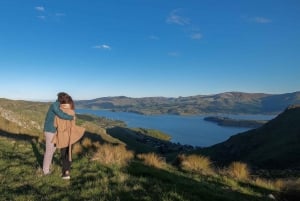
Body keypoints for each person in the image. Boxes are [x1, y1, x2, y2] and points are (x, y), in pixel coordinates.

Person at [52, 95, 85, 179]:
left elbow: (55, 124)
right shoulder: (72, 112)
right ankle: (67, 171)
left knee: (63, 154)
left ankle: (66, 172)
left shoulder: (59, 112)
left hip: (62, 135)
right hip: (70, 135)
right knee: (69, 153)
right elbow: (73, 125)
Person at [42, 92, 74, 175]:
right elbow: (61, 115)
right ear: (63, 99)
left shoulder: (58, 105)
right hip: (50, 131)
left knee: (52, 150)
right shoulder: (55, 105)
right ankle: (45, 170)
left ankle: (48, 167)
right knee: (49, 151)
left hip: (53, 131)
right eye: (66, 99)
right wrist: (71, 117)